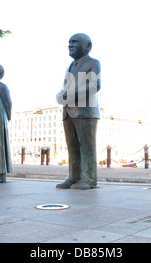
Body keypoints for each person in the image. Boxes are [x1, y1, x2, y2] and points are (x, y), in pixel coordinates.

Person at [56, 33, 101, 190]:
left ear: (87, 46)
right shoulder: (70, 67)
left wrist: (71, 93)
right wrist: (61, 96)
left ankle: (89, 179)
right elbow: (64, 88)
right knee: (72, 147)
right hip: (68, 111)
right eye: (69, 42)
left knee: (87, 147)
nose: (70, 45)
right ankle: (74, 176)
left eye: (75, 42)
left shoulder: (93, 63)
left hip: (85, 111)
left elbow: (95, 85)